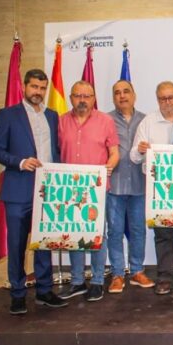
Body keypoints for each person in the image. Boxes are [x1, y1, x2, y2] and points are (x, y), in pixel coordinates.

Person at [0, 69, 68, 314]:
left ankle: (44, 291)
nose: (38, 92)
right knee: (17, 245)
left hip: (47, 191)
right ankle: (17, 294)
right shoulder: (8, 115)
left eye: (42, 88)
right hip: (18, 191)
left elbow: (57, 150)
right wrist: (20, 162)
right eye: (34, 87)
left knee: (44, 243)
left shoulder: (52, 116)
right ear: (25, 87)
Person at [58, 81, 119, 302]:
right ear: (71, 98)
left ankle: (97, 281)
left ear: (94, 98)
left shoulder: (106, 121)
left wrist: (109, 166)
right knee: (74, 234)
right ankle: (77, 281)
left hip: (96, 189)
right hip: (68, 189)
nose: (82, 100)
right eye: (78, 95)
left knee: (96, 234)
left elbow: (114, 153)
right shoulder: (60, 121)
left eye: (87, 96)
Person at [130, 81, 173, 295]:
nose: (168, 102)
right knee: (163, 234)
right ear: (157, 99)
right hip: (158, 189)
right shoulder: (148, 122)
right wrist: (140, 150)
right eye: (163, 98)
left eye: (171, 97)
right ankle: (165, 277)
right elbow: (134, 157)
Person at [106, 80, 154, 294]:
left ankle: (137, 270)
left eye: (126, 91)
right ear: (113, 97)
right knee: (114, 231)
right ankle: (117, 273)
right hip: (113, 185)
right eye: (117, 93)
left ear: (134, 95)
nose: (122, 96)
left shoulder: (146, 120)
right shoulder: (105, 120)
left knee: (138, 230)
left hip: (139, 184)